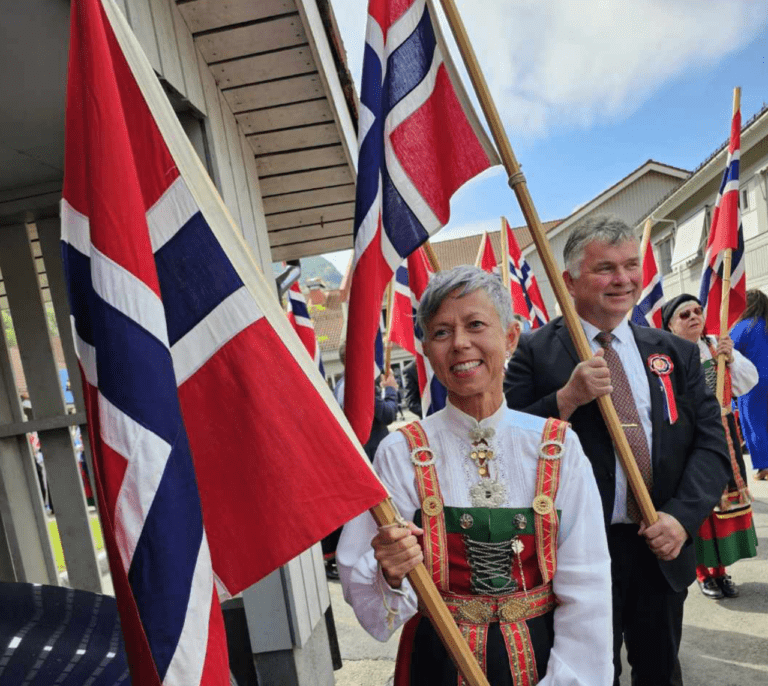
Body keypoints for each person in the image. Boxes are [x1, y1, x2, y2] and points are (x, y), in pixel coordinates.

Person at [338, 266, 613, 685]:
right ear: (427, 350)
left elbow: (588, 580)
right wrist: (390, 571)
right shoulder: (400, 451)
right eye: (442, 332)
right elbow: (364, 568)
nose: (461, 343)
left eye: (476, 325)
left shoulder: (555, 446)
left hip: (543, 657)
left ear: (510, 338)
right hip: (436, 658)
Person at [504, 216, 731, 686]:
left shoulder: (676, 353)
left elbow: (711, 446)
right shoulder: (534, 353)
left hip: (660, 544)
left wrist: (680, 519)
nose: (624, 279)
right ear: (569, 281)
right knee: (588, 675)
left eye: (631, 265)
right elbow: (508, 445)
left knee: (660, 672)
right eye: (605, 268)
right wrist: (565, 400)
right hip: (577, 552)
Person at [661, 294, 758, 599]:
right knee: (701, 506)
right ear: (670, 325)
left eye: (697, 311)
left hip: (725, 434)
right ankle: (702, 573)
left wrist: (731, 359)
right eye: (684, 314)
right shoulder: (667, 356)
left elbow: (748, 382)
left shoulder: (716, 346)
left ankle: (721, 571)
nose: (693, 317)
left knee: (726, 507)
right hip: (692, 438)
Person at [730, 288, 768, 481]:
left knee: (755, 424)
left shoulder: (743, 327)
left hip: (754, 384)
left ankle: (765, 467)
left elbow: (728, 352)